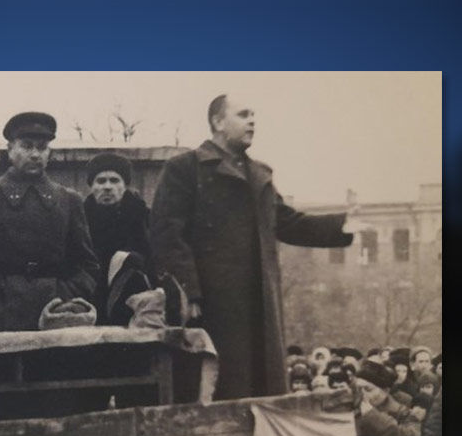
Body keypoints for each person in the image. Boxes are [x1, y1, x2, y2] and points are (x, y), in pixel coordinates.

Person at [150, 94, 362, 400]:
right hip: (212, 305)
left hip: (259, 305)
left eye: (254, 115)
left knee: (262, 393)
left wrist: (341, 226)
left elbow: (287, 222)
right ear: (218, 122)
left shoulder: (259, 174)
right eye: (243, 114)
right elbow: (167, 235)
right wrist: (189, 293)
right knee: (218, 390)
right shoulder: (185, 169)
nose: (252, 121)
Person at [0, 111, 100, 420]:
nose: (35, 154)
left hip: (52, 320)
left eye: (42, 147)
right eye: (27, 146)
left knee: (50, 412)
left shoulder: (68, 200)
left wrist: (63, 295)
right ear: (10, 150)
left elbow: (88, 266)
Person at [82, 152, 154, 324]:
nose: (107, 187)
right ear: (91, 186)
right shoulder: (80, 219)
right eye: (100, 181)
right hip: (89, 301)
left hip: (135, 302)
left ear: (125, 185)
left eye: (114, 180)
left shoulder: (143, 217)